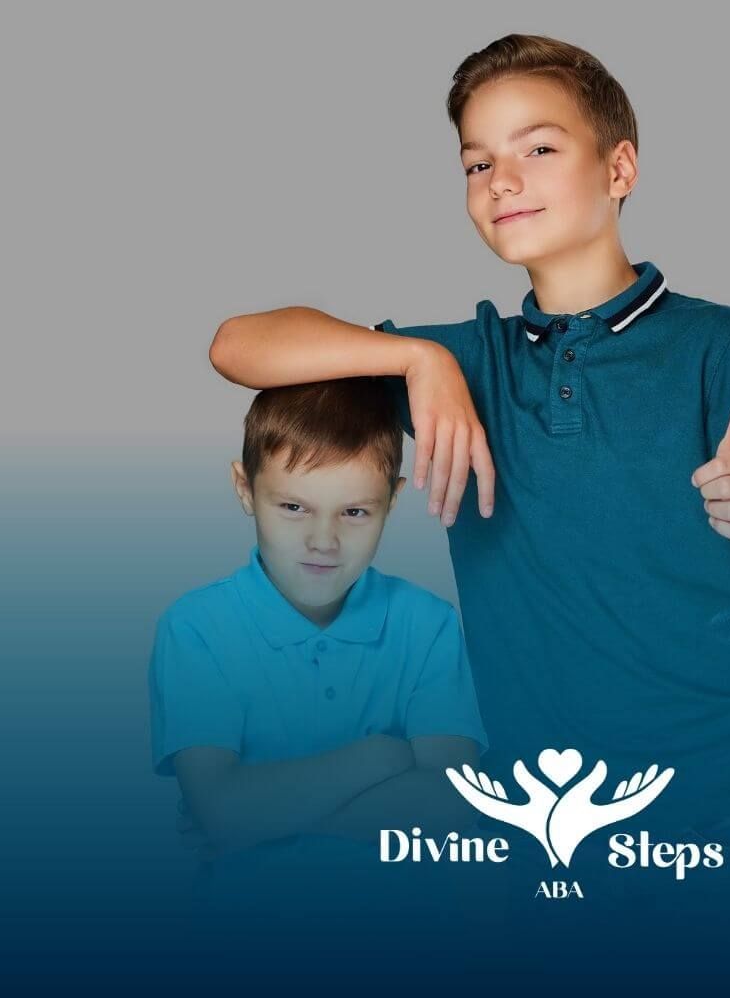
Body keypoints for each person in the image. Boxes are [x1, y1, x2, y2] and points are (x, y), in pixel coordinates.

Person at [207, 34, 730, 969]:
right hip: (545, 824)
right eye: (476, 162)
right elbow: (237, 345)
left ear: (619, 168)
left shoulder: (721, 343)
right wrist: (418, 358)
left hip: (718, 811)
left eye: (538, 147)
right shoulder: (470, 361)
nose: (503, 180)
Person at [147, 376, 489, 930]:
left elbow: (451, 806)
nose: (323, 541)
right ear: (244, 489)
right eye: (293, 507)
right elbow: (222, 812)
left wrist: (263, 820)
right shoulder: (196, 629)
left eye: (354, 512)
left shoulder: (428, 624)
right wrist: (383, 757)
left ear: (393, 499)